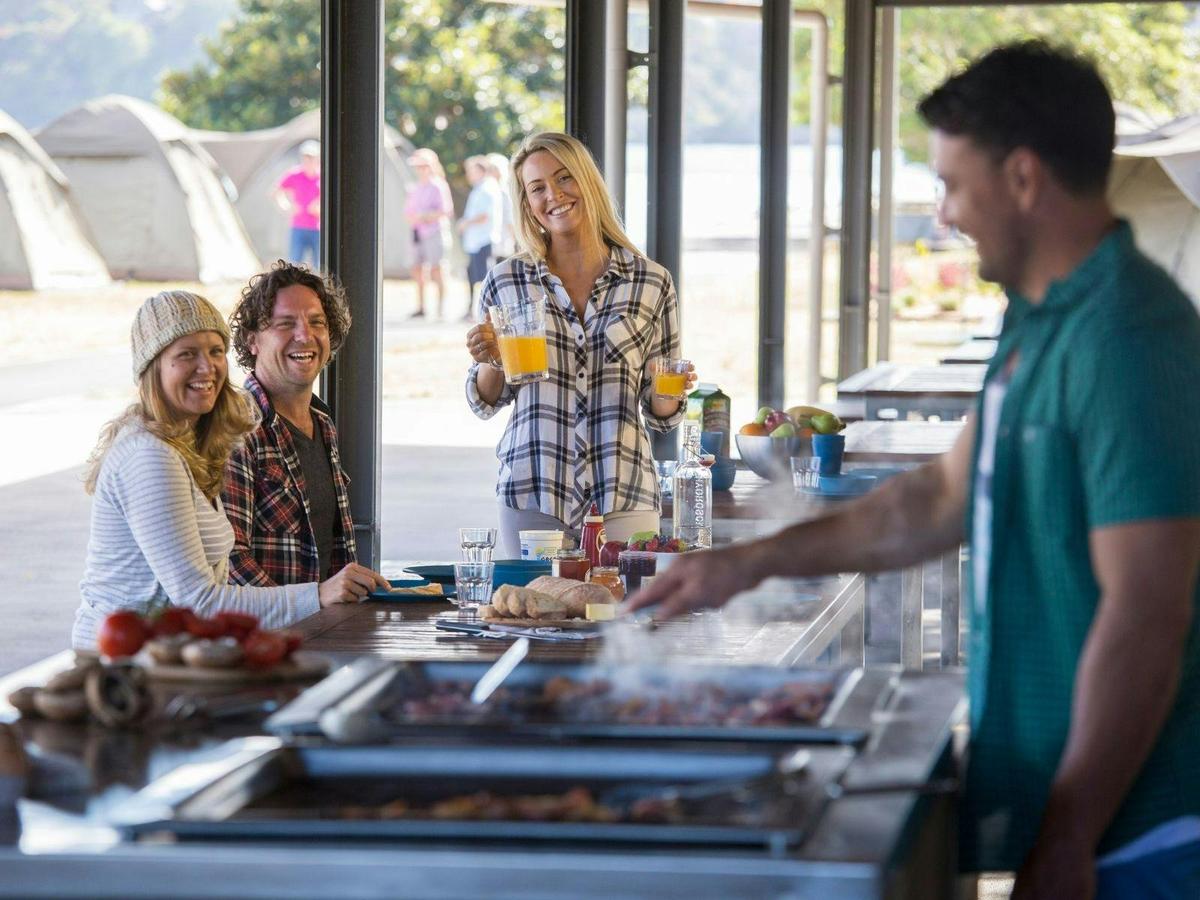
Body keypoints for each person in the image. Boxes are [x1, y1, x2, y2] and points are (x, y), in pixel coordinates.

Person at [629, 42, 1200, 900]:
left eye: (953, 185)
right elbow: (937, 499)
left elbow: (1148, 613)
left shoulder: (1128, 338)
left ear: (1023, 178)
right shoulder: (1041, 317)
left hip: (1143, 836)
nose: (943, 214)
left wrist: (1067, 837)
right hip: (1087, 822)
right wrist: (749, 562)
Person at [72, 290, 387, 650]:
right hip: (122, 663)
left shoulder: (189, 446)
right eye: (186, 354)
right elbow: (200, 602)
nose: (207, 367)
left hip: (169, 655)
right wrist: (316, 596)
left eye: (215, 351)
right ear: (152, 366)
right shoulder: (149, 456)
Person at [464, 132, 697, 557]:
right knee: (533, 602)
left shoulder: (651, 281)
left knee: (626, 602)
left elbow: (661, 414)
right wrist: (490, 361)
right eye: (537, 188)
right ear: (526, 203)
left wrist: (671, 391)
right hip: (534, 492)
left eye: (564, 178)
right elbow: (486, 402)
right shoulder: (505, 280)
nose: (553, 195)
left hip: (624, 492)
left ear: (588, 181)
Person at [223, 261, 389, 593]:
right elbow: (229, 561)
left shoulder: (322, 423)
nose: (305, 336)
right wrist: (311, 601)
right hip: (263, 625)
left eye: (317, 322)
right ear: (252, 340)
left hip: (321, 623)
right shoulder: (235, 427)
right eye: (286, 324)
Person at [404, 147, 453, 319]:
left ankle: (440, 308)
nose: (420, 169)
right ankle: (421, 307)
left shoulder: (438, 186)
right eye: (417, 166)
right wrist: (416, 218)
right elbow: (408, 212)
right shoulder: (415, 187)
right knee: (417, 270)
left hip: (434, 233)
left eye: (422, 166)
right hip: (418, 233)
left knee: (437, 269)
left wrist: (425, 216)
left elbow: (446, 210)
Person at [457, 155, 504, 320]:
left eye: (471, 171)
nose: (468, 175)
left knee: (486, 279)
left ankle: (491, 315)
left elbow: (485, 215)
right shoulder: (479, 188)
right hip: (476, 242)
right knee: (473, 276)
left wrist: (465, 223)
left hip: (484, 240)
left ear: (480, 171)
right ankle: (474, 310)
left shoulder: (488, 188)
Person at [273, 140, 322, 269]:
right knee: (294, 263)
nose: (308, 161)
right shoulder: (295, 175)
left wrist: (319, 208)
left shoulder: (322, 177)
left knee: (320, 264)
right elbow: (277, 191)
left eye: (311, 158)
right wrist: (287, 206)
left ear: (317, 159)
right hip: (298, 226)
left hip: (317, 228)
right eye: (306, 157)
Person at [486, 151, 516, 261]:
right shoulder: (489, 190)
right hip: (492, 241)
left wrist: (514, 240)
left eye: (492, 169)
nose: (489, 172)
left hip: (505, 240)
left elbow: (509, 217)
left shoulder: (505, 191)